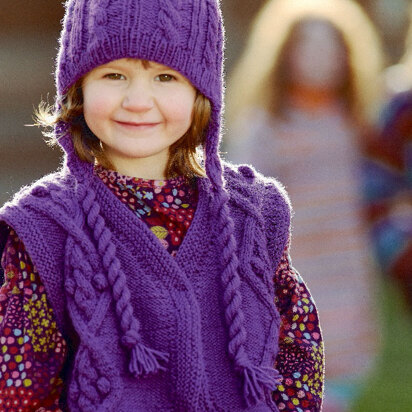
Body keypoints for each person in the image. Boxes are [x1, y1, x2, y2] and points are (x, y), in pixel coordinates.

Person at [0, 0, 324, 411]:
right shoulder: (45, 228)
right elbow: (19, 387)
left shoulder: (253, 214)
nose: (138, 100)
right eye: (114, 75)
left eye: (166, 77)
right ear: (78, 87)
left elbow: (296, 352)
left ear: (201, 92)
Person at [225, 0, 383, 411]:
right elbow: (243, 212)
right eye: (309, 46)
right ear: (283, 54)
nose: (321, 58)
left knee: (341, 379)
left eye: (331, 47)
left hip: (347, 278)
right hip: (296, 278)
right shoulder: (266, 128)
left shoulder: (355, 123)